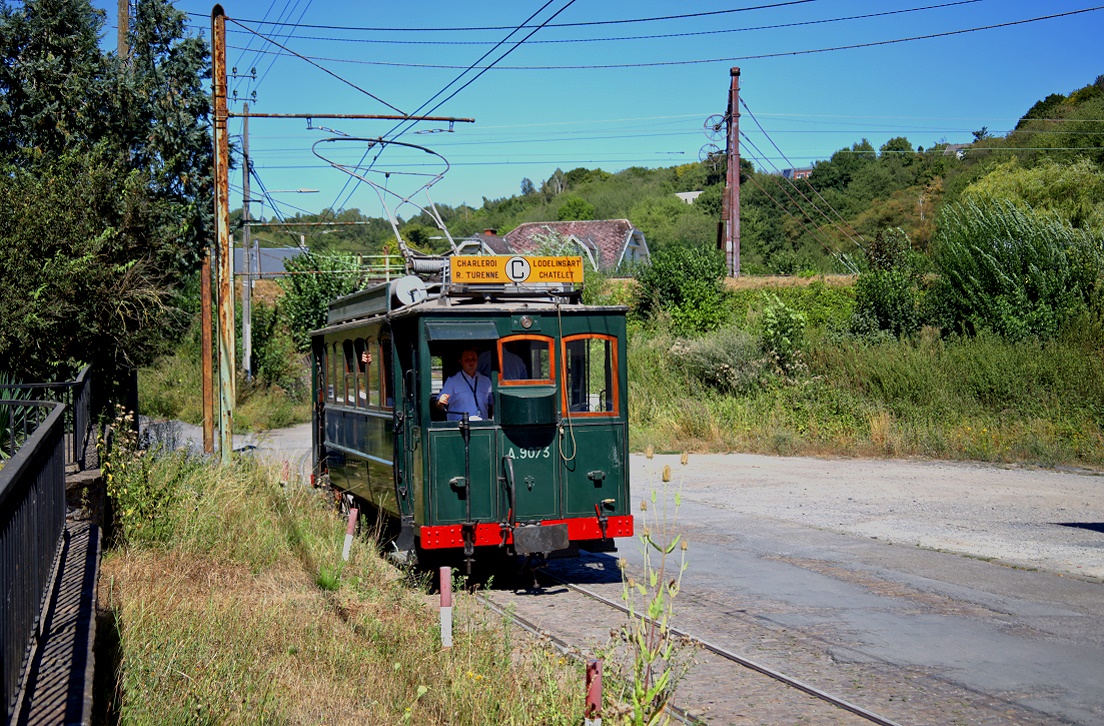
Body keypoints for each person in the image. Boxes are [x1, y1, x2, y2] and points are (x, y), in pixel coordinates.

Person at [438, 348, 493, 421]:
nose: (471, 363)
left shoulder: (486, 381)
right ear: (461, 362)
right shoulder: (452, 381)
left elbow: (494, 404)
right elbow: (439, 405)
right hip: (459, 427)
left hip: (481, 426)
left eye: (473, 359)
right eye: (467, 360)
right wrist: (440, 402)